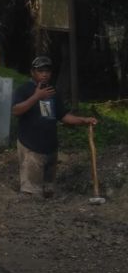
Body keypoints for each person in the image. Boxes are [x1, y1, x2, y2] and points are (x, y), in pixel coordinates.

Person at [11, 55, 98, 197]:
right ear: (33, 72)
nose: (44, 74)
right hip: (31, 147)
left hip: (50, 148)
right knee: (31, 193)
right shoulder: (24, 90)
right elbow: (15, 110)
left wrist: (83, 120)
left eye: (47, 71)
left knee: (48, 191)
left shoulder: (53, 92)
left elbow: (62, 116)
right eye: (40, 71)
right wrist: (36, 96)